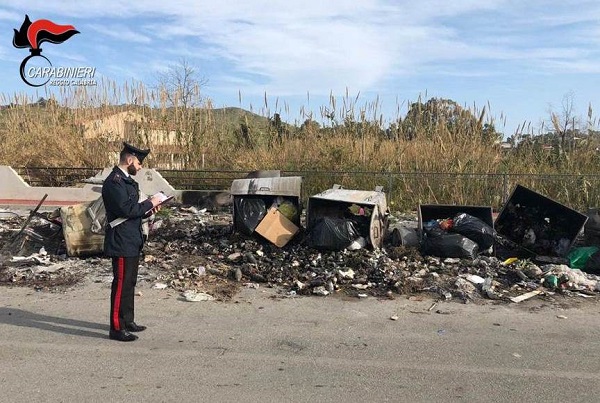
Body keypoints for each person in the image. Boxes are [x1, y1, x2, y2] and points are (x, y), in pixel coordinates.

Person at [102, 142, 163, 342]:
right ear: (129, 160)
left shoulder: (127, 181)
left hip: (132, 238)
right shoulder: (114, 182)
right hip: (121, 240)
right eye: (138, 163)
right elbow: (126, 210)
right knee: (120, 284)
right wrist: (150, 202)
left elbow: (134, 212)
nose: (140, 167)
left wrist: (149, 209)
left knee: (130, 282)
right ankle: (117, 328)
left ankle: (127, 320)